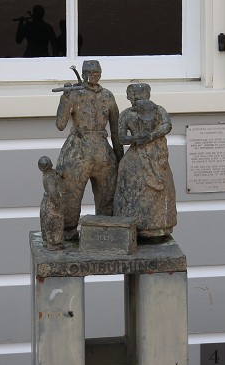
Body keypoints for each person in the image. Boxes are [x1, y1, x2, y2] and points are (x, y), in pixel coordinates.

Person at [55, 60, 122, 240]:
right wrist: (65, 99)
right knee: (70, 195)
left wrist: (120, 157)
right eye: (90, 72)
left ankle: (104, 236)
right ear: (83, 73)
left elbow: (115, 131)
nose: (93, 76)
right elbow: (60, 125)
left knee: (107, 199)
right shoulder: (74, 95)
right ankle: (68, 233)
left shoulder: (107, 96)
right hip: (78, 151)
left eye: (97, 72)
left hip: (103, 154)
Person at [112, 83, 177, 239]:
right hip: (135, 156)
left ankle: (158, 225)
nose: (134, 98)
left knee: (159, 192)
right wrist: (136, 139)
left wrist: (149, 136)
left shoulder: (158, 110)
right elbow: (121, 138)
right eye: (132, 95)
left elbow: (167, 126)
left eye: (138, 95)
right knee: (130, 187)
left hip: (156, 155)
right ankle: (130, 224)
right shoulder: (126, 114)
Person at [38, 156, 64, 251]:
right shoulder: (50, 177)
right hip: (51, 202)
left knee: (45, 220)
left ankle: (46, 240)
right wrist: (57, 203)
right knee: (55, 221)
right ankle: (53, 243)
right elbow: (52, 192)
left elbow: (56, 172)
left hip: (45, 202)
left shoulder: (47, 173)